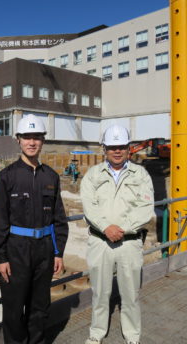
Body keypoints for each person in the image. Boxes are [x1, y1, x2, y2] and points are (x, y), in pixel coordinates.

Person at [0, 114, 69, 343]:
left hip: (44, 251)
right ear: (18, 140)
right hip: (16, 252)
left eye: (37, 137)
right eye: (27, 137)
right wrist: (1, 257)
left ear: (43, 141)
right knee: (14, 310)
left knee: (39, 308)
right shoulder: (6, 177)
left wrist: (58, 251)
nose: (32, 142)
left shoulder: (51, 177)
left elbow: (59, 219)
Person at [80, 124, 154, 344]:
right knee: (100, 294)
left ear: (129, 148)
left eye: (121, 146)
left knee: (130, 295)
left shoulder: (140, 174)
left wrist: (123, 229)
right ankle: (96, 334)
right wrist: (106, 227)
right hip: (100, 242)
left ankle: (132, 336)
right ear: (104, 149)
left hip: (129, 243)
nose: (117, 151)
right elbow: (88, 205)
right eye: (112, 147)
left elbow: (145, 207)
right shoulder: (93, 175)